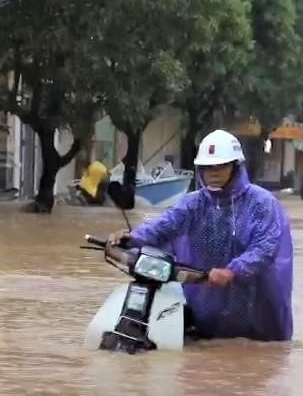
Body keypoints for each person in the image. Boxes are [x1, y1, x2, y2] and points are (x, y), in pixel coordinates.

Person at [108, 129, 293, 341]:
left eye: (220, 166)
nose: (213, 172)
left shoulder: (261, 203)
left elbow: (265, 248)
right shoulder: (193, 203)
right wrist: (131, 238)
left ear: (236, 167)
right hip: (208, 299)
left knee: (255, 352)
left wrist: (233, 271)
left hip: (256, 302)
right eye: (207, 167)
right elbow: (164, 225)